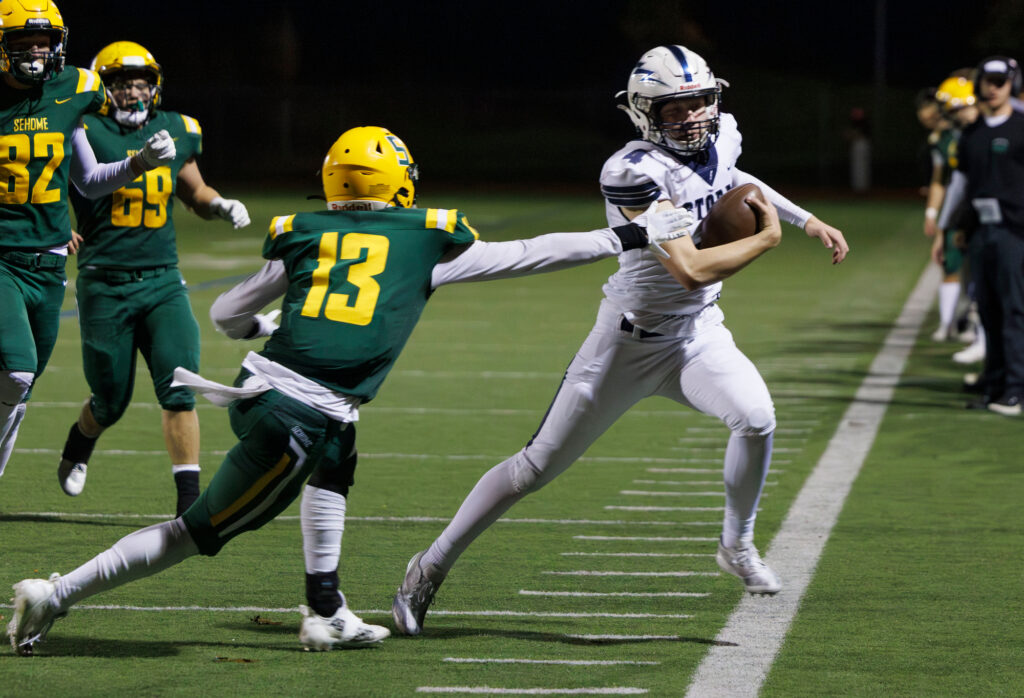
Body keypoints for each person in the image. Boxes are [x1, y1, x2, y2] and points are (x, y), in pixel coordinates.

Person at [6, 125, 695, 655]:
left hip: (274, 392)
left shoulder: (306, 231)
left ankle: (327, 610)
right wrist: (630, 234)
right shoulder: (426, 236)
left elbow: (226, 315)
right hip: (297, 411)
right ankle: (54, 595)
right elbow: (526, 253)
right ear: (398, 180)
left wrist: (267, 323)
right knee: (198, 532)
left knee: (338, 463)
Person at [392, 44, 850, 636]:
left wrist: (804, 218)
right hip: (626, 345)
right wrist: (766, 240)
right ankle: (427, 567)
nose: (692, 117)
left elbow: (736, 178)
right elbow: (690, 269)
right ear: (642, 113)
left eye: (700, 102)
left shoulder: (725, 134)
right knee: (534, 468)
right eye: (673, 108)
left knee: (757, 418)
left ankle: (735, 544)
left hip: (698, 335)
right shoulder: (632, 170)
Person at [57, 41, 250, 514]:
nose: (133, 94)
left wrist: (219, 205)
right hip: (105, 282)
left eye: (141, 84)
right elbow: (42, 178)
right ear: (104, 89)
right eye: (122, 85)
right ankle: (79, 444)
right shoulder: (83, 127)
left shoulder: (177, 129)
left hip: (163, 279)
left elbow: (195, 190)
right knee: (110, 400)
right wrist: (57, 224)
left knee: (180, 384)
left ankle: (188, 503)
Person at [0, 0, 176, 482]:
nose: (36, 51)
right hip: (2, 259)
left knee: (22, 390)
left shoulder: (73, 88)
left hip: (51, 261)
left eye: (44, 41)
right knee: (15, 372)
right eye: (23, 41)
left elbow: (91, 178)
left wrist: (140, 161)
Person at [938, 56, 1024, 416]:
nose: (992, 88)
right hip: (981, 232)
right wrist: (962, 228)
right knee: (987, 311)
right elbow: (970, 187)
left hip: (1014, 231)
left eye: (999, 82)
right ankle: (994, 385)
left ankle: (1015, 390)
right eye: (987, 81)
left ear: (1012, 84)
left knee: (1013, 310)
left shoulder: (1021, 128)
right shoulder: (971, 135)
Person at [927, 74, 982, 351]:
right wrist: (942, 224)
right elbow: (956, 184)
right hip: (974, 214)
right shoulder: (960, 137)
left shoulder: (989, 132)